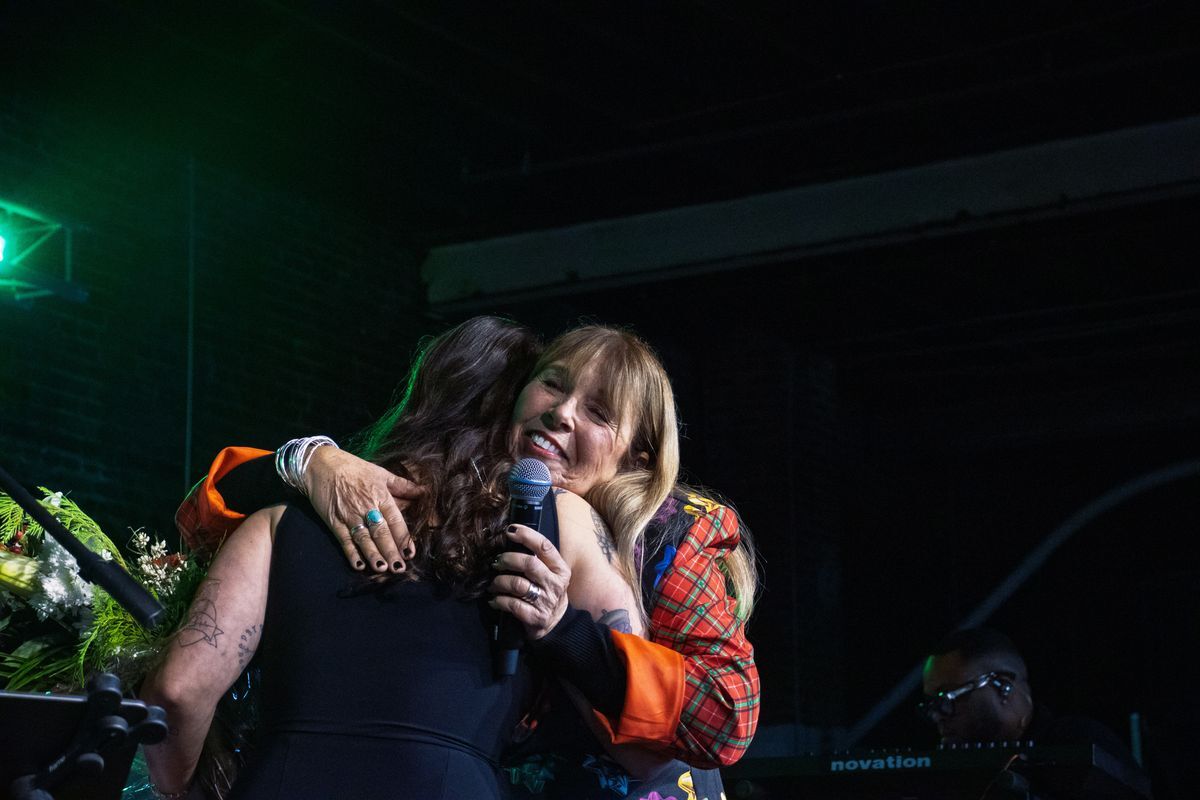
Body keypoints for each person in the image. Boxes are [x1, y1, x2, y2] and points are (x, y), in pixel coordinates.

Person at [175, 321, 760, 796]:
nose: (562, 413)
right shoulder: (475, 503)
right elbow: (212, 515)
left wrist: (565, 632)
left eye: (599, 413)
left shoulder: (667, 532)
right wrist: (307, 459)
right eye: (552, 384)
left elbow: (725, 714)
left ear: (637, 456)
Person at [920, 627, 1148, 794]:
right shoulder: (953, 772)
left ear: (1002, 686)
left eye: (947, 697)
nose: (936, 714)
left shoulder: (1075, 741)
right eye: (932, 704)